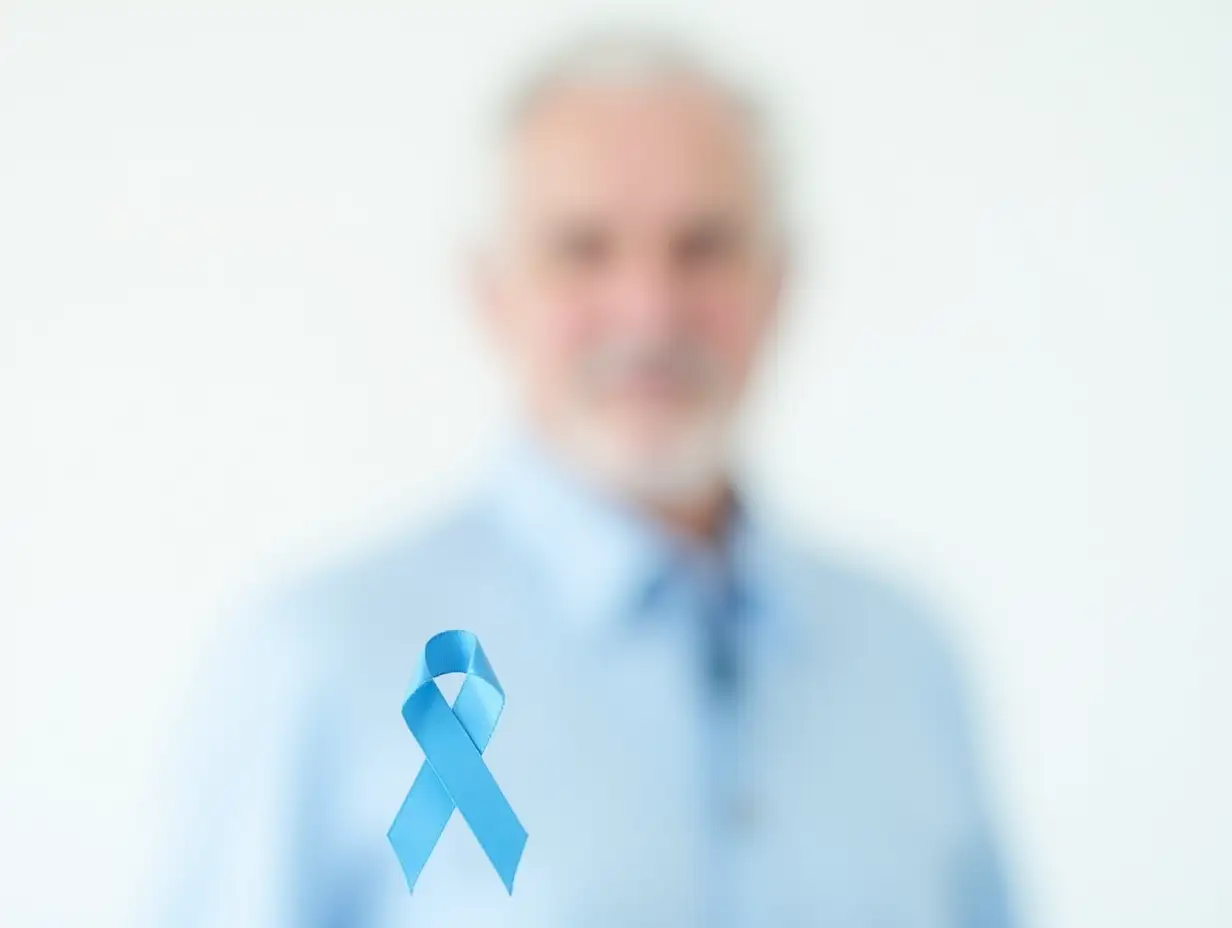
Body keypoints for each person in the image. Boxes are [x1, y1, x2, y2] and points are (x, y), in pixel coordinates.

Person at [151, 27, 1016, 928]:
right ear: (491, 290)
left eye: (703, 246)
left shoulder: (906, 657)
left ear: (780, 283)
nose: (649, 308)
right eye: (582, 248)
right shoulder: (323, 661)